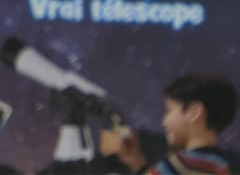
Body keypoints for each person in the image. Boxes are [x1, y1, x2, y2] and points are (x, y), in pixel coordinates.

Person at [100, 70, 238, 172]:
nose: (164, 122)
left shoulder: (182, 164)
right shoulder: (219, 166)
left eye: (169, 111)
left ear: (194, 113)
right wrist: (136, 162)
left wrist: (108, 155)